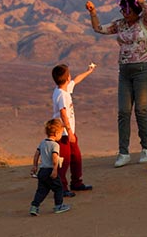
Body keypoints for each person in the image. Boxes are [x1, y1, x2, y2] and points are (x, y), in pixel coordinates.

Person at [85, 0, 147, 168]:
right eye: (122, 10)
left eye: (128, 10)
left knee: (141, 110)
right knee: (123, 112)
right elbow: (99, 29)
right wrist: (93, 12)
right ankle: (123, 152)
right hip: (125, 70)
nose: (125, 13)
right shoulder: (120, 25)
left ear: (135, 10)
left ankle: (146, 149)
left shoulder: (144, 21)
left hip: (143, 69)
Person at [52, 62, 96, 195]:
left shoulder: (63, 89)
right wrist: (70, 132)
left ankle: (76, 183)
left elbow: (76, 80)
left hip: (68, 133)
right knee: (64, 161)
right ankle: (62, 188)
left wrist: (88, 71)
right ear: (66, 78)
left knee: (76, 157)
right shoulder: (62, 95)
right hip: (63, 133)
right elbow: (63, 113)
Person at [29, 118, 71, 216]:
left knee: (41, 190)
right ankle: (58, 206)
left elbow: (36, 154)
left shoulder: (42, 143)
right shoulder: (55, 145)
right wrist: (55, 169)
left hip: (42, 171)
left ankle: (34, 207)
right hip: (50, 170)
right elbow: (54, 158)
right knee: (58, 188)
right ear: (56, 133)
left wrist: (35, 166)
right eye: (61, 133)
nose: (61, 136)